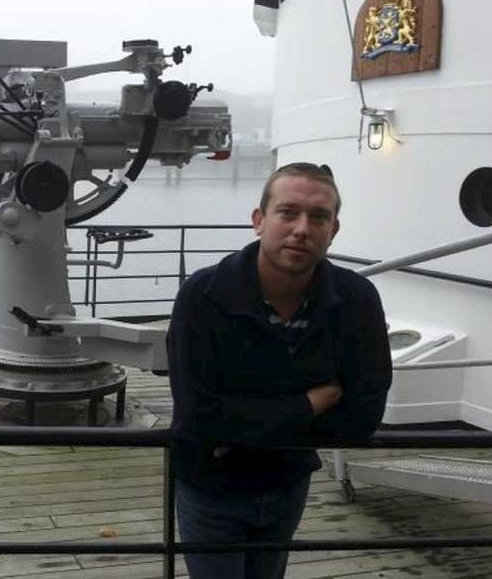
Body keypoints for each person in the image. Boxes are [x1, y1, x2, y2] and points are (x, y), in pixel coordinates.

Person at [167, 162, 392, 578]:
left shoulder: (356, 299)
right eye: (288, 212)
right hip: (212, 487)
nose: (302, 228)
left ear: (334, 229)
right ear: (259, 220)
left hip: (286, 484)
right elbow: (200, 416)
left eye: (318, 216)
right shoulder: (204, 295)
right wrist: (311, 402)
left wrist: (242, 429)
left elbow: (362, 415)